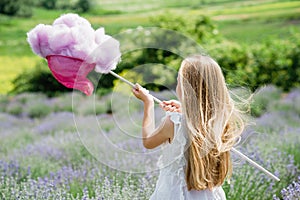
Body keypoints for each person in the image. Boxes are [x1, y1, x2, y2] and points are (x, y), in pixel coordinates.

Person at [132, 54, 244, 200]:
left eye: (179, 81)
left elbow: (148, 141)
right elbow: (196, 121)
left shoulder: (173, 122)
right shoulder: (219, 121)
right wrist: (185, 111)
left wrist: (148, 104)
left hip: (174, 194)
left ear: (185, 88)